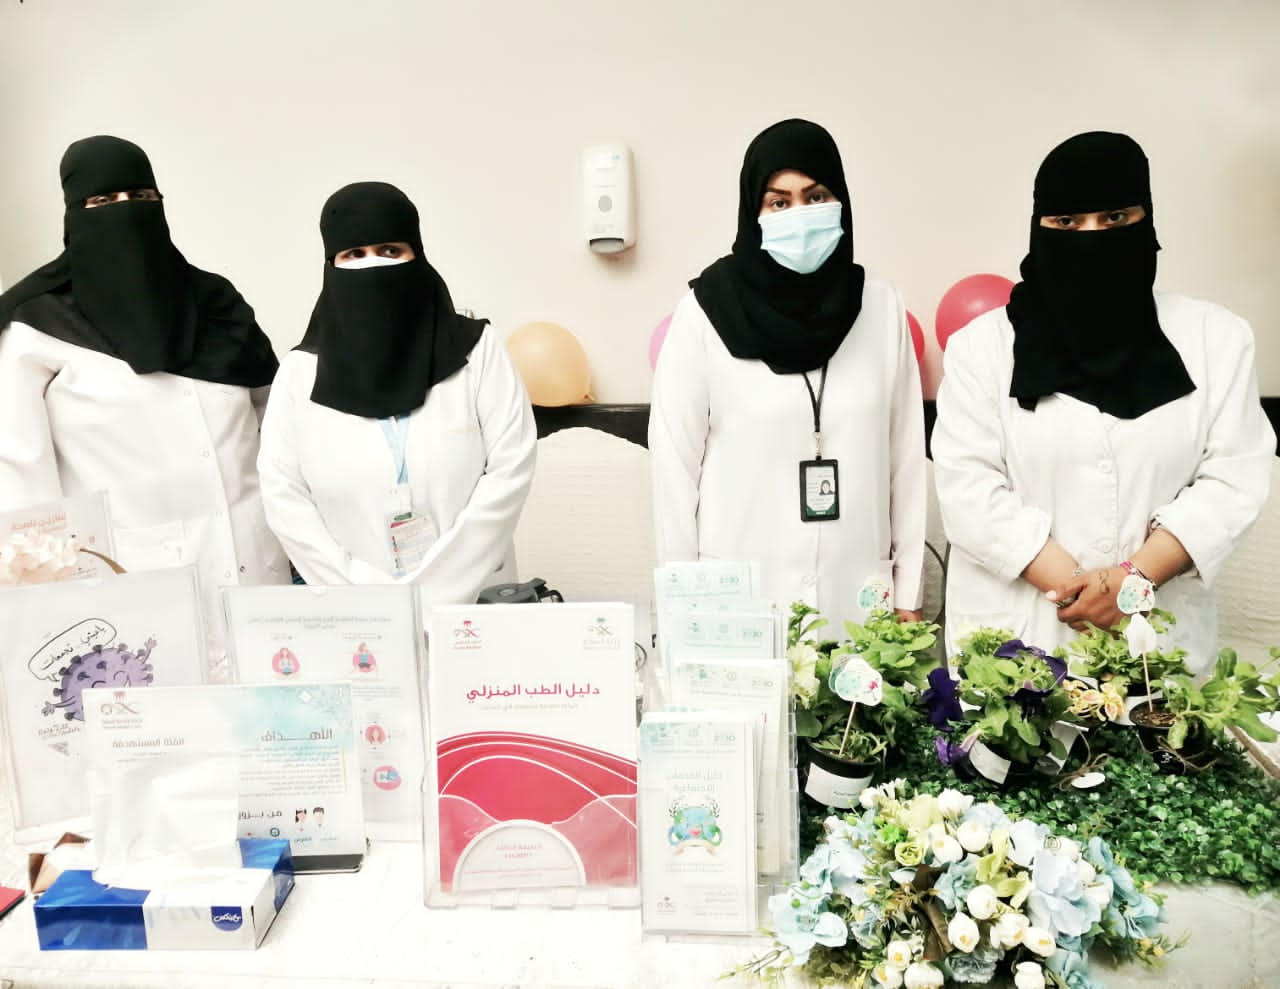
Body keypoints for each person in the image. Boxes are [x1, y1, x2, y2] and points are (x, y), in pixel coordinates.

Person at [933, 131, 1274, 667]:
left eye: (1115, 218)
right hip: (1020, 644)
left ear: (1148, 222)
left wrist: (1133, 582)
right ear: (1039, 228)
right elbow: (968, 490)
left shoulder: (1218, 338)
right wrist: (1085, 591)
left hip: (1158, 651)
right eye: (1067, 222)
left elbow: (1234, 479)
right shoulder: (981, 349)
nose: (1092, 239)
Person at [0, 135, 288, 662]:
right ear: (73, 215)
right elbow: (21, 483)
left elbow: (278, 428)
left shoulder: (217, 304)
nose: (125, 212)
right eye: (103, 201)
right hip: (127, 595)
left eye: (140, 196)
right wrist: (49, 621)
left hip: (257, 578)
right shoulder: (37, 327)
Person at [649, 119, 927, 630]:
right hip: (739, 604)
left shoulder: (881, 306)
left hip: (859, 597)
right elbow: (674, 473)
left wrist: (908, 591)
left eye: (816, 197)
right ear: (753, 211)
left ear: (841, 201)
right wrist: (684, 610)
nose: (800, 215)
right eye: (778, 202)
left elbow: (906, 460)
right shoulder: (704, 312)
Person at [258, 182, 536, 605]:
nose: (372, 265)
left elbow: (510, 470)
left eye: (390, 250)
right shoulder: (299, 373)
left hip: (474, 605)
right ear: (331, 265)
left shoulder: (478, 352)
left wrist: (436, 591)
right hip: (357, 614)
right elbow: (284, 496)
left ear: (417, 254)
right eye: (354, 254)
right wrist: (366, 595)